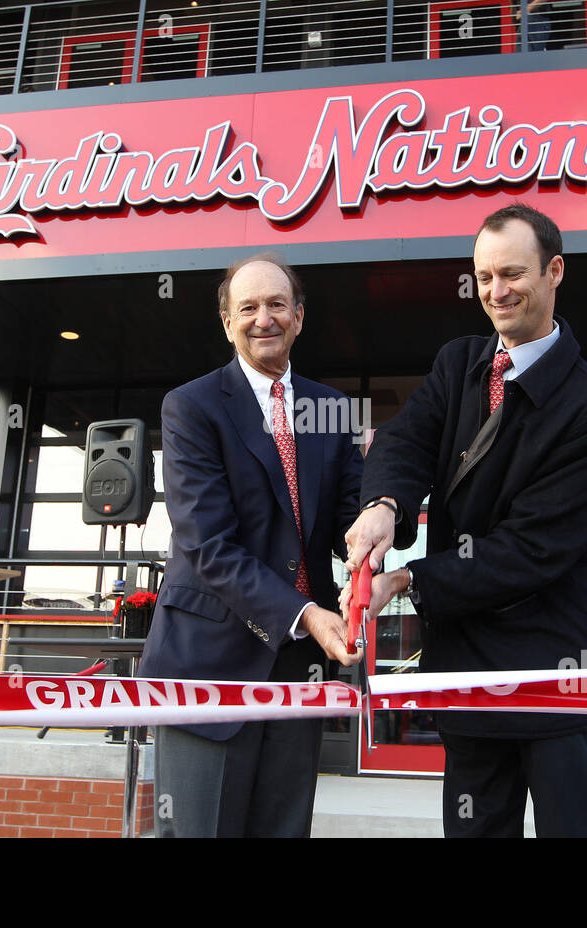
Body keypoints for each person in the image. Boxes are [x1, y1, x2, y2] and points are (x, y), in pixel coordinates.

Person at [343, 202, 587, 837]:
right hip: (468, 670)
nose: (496, 292)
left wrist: (410, 581)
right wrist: (384, 506)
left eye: (513, 274)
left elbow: (532, 550)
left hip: (551, 674)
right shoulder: (458, 362)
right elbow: (405, 440)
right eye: (484, 276)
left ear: (555, 272)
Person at [139, 252, 364, 837]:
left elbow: (350, 524)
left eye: (276, 305)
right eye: (248, 307)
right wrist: (306, 613)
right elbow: (207, 544)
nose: (263, 318)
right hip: (207, 659)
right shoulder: (191, 407)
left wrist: (383, 506)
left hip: (299, 669)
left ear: (299, 317)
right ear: (227, 322)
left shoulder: (331, 410)